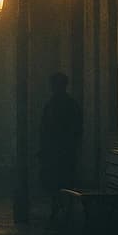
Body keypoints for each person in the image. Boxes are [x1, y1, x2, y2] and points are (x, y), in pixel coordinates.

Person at [38, 71, 83, 219]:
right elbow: (77, 128)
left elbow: (45, 128)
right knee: (64, 180)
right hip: (66, 150)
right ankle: (63, 209)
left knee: (55, 181)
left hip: (57, 151)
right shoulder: (70, 104)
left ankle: (58, 209)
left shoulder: (51, 105)